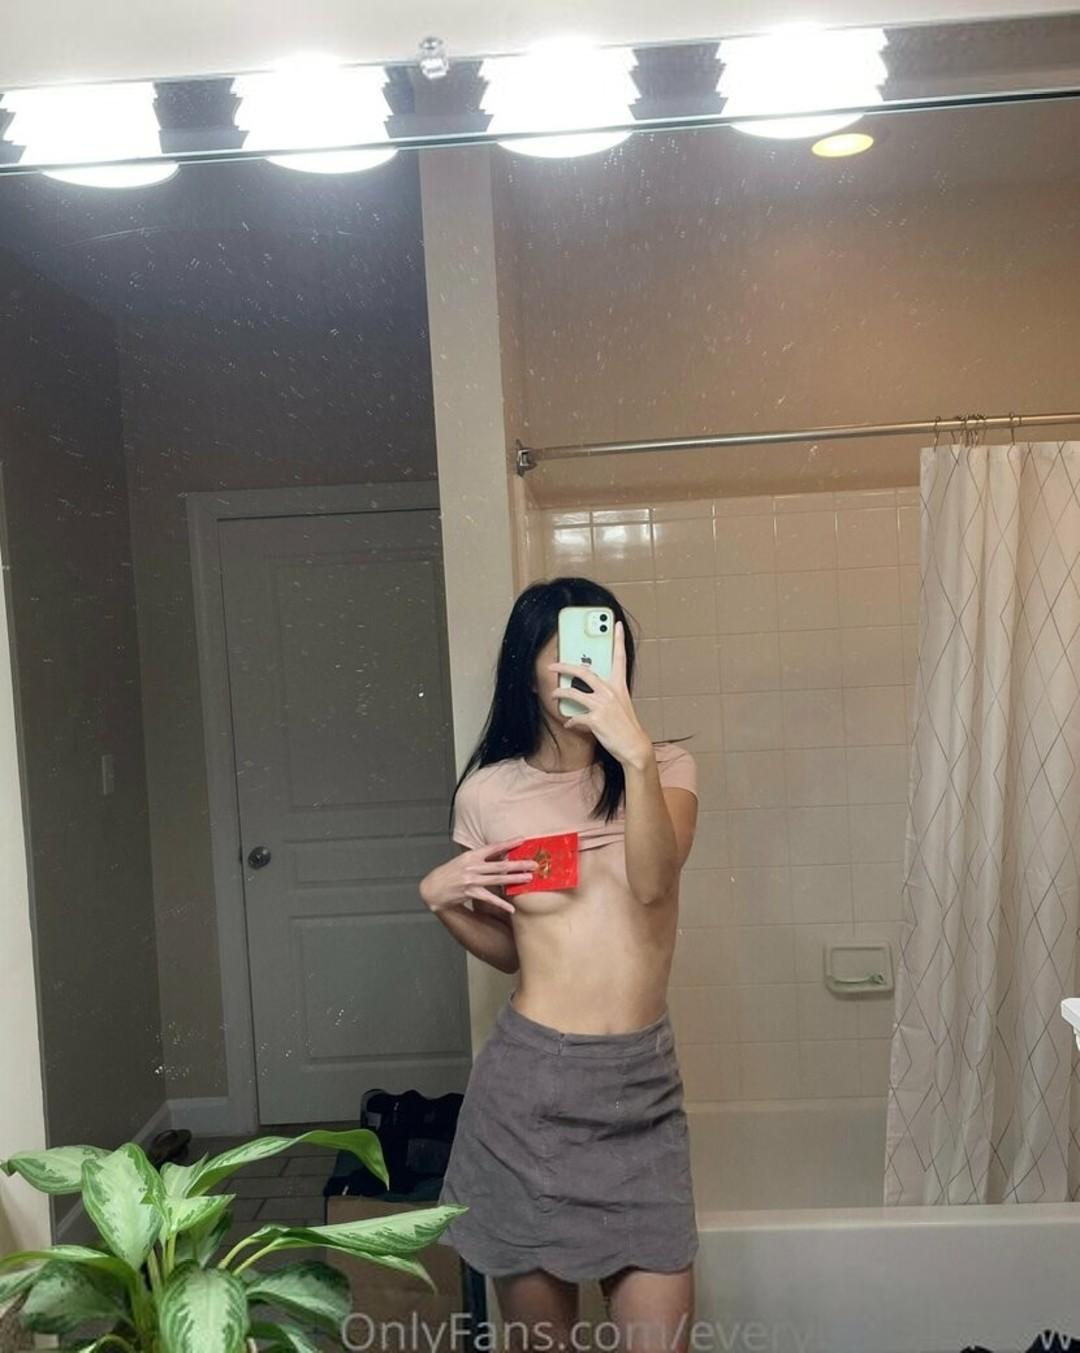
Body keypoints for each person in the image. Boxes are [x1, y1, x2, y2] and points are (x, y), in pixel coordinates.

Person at [419, 576, 700, 1352]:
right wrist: (441, 900)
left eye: (602, 648)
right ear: (526, 667)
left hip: (642, 1094)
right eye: (563, 652)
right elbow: (519, 948)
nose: (584, 667)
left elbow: (654, 883)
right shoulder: (488, 795)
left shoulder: (665, 767)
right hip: (529, 1094)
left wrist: (633, 754)